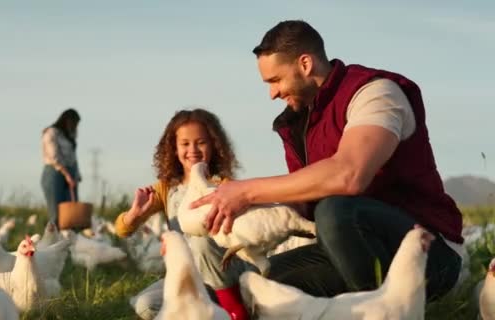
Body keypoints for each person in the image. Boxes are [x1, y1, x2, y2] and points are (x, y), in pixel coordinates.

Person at [190, 20, 463, 301]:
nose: (272, 94)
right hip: (347, 252)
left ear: (305, 64)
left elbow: (349, 175)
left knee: (335, 211)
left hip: (428, 252)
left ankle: (383, 313)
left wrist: (247, 191)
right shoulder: (297, 123)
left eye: (275, 80)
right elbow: (302, 201)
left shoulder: (375, 92)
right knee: (257, 286)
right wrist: (232, 209)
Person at [114, 108, 250, 320]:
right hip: (189, 277)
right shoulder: (165, 189)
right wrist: (134, 213)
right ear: (173, 149)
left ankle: (237, 311)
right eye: (185, 144)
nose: (193, 149)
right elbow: (122, 230)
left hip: (225, 272)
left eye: (201, 142)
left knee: (202, 243)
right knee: (146, 305)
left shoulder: (224, 186)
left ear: (214, 144)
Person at [41, 108, 82, 226]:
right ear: (67, 121)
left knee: (71, 213)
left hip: (70, 172)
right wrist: (66, 174)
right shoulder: (50, 133)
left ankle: (70, 240)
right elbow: (54, 157)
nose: (76, 127)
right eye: (74, 123)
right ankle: (56, 240)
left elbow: (73, 157)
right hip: (54, 173)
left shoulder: (70, 136)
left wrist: (76, 174)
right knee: (56, 213)